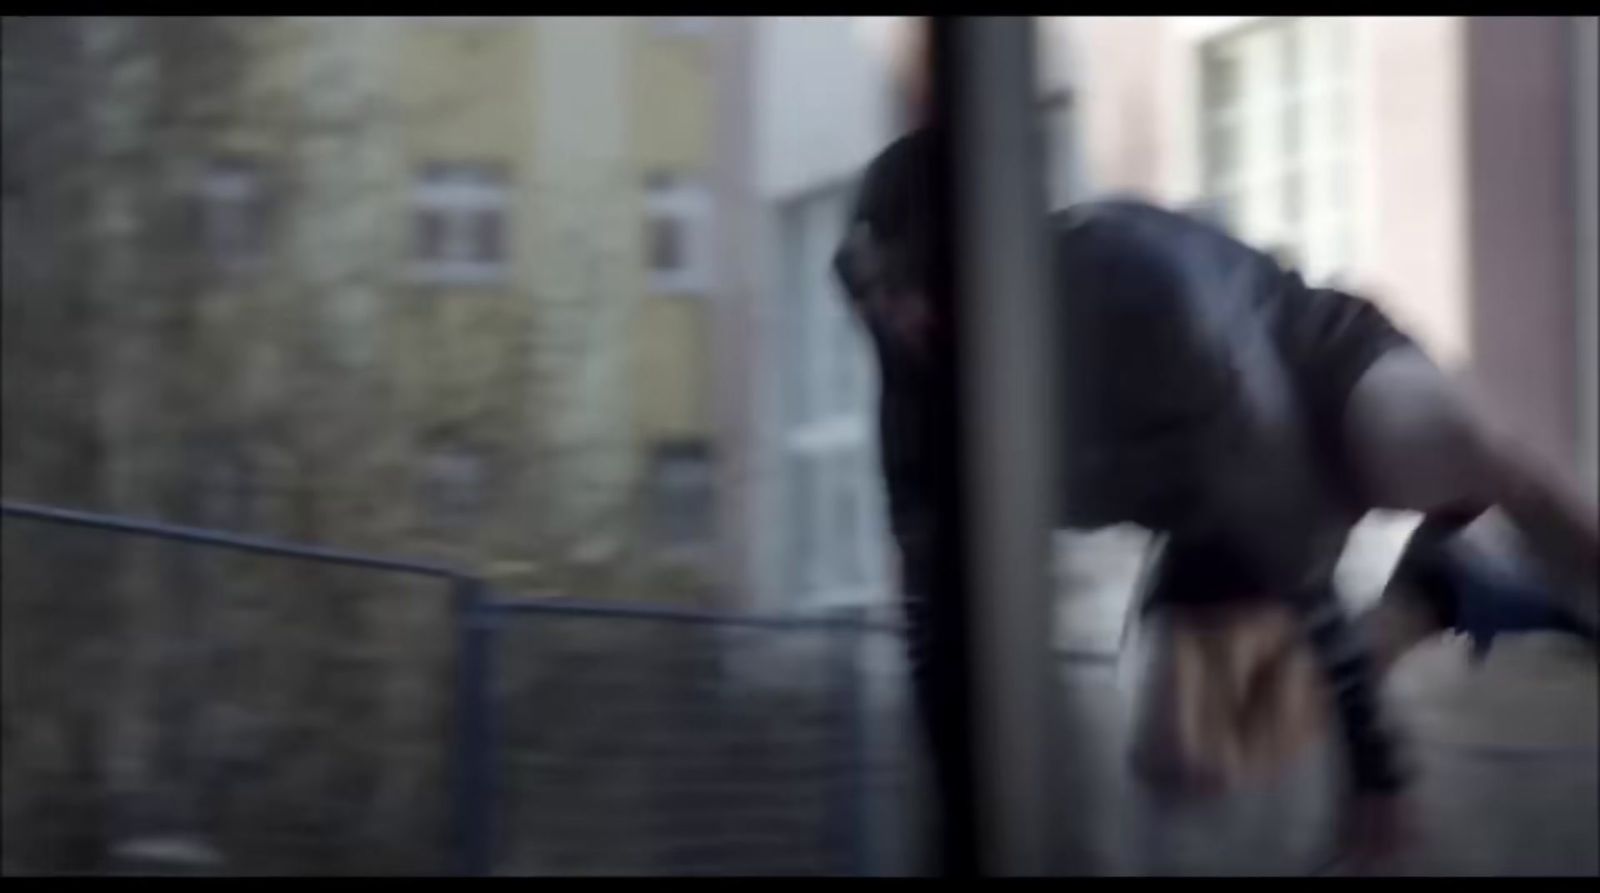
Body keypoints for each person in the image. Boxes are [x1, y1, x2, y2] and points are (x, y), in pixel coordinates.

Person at [831, 126, 1600, 872]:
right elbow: (934, 632)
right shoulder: (918, 418)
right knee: (1177, 757)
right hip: (1210, 501)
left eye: (934, 288)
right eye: (892, 298)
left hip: (1313, 378)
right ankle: (1440, 591)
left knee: (1453, 441)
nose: (915, 319)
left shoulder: (1119, 277)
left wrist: (1374, 764)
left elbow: (1277, 489)